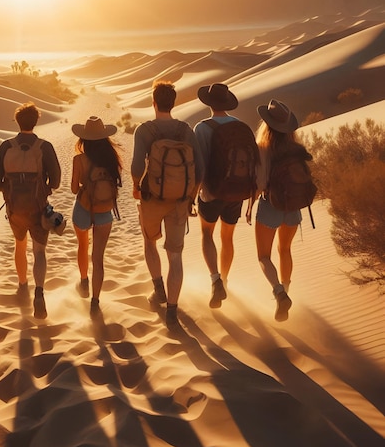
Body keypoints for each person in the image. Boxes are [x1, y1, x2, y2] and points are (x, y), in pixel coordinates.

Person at [131, 80, 203, 327]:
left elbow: (137, 167)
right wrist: (190, 197)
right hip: (179, 202)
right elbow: (200, 171)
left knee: (150, 242)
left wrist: (135, 185)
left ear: (154, 103)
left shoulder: (145, 131)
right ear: (173, 103)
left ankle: (158, 288)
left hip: (152, 199)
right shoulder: (186, 130)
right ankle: (172, 310)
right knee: (176, 255)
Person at [0, 102, 61, 319]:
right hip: (38, 208)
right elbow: (57, 180)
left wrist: (9, 191)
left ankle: (23, 286)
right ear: (36, 121)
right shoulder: (44, 146)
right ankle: (38, 292)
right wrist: (44, 189)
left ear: (17, 121)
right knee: (39, 251)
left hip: (15, 210)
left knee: (20, 246)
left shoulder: (6, 146)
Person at [194, 83, 255, 308]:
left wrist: (192, 197)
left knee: (207, 234)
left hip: (211, 193)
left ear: (209, 104)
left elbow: (199, 166)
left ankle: (215, 279)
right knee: (227, 237)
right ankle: (226, 281)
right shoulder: (240, 126)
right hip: (237, 192)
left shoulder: (202, 128)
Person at [253, 99, 307, 321]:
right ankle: (286, 290)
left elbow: (259, 184)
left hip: (270, 206)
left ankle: (279, 292)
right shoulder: (296, 148)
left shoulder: (263, 149)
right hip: (293, 207)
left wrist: (249, 206)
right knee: (285, 250)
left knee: (264, 257)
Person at [70, 116, 122, 316]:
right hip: (105, 212)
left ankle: (84, 282)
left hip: (83, 209)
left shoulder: (79, 159)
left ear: (84, 138)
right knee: (98, 258)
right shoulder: (112, 158)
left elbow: (74, 189)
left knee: (83, 245)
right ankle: (95, 301)